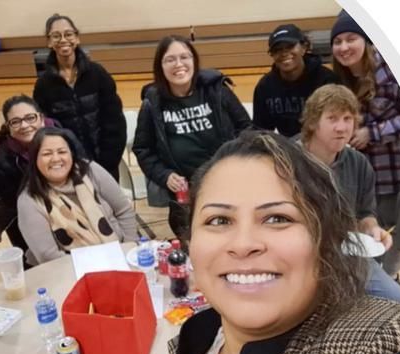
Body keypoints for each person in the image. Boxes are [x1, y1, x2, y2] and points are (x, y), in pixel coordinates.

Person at [149, 130, 400, 354]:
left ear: (324, 239)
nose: (243, 244)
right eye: (219, 220)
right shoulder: (196, 336)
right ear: (191, 243)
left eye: (277, 218)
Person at [331, 10, 400, 279]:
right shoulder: (342, 80)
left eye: (351, 39)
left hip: (398, 178)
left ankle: (390, 284)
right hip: (364, 181)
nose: (344, 47)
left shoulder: (394, 70)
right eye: (337, 42)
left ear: (366, 40)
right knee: (369, 244)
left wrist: (372, 133)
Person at [132, 35, 251, 241]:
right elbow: (143, 150)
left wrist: (235, 165)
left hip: (225, 183)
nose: (179, 64)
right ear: (160, 66)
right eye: (170, 59)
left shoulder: (217, 90)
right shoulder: (152, 102)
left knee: (231, 238)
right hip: (185, 194)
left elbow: (247, 130)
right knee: (192, 243)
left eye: (184, 57)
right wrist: (165, 175)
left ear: (194, 61)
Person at [299, 84, 400, 303]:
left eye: (348, 119)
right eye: (333, 119)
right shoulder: (287, 160)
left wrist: (373, 229)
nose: (342, 128)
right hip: (299, 257)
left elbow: (364, 214)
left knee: (396, 298)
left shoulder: (359, 163)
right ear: (312, 122)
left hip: (346, 254)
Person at [17, 127, 137, 265]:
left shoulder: (90, 171)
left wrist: (129, 250)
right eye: (46, 154)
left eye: (62, 152)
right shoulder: (29, 200)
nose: (56, 159)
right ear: (34, 159)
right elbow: (48, 256)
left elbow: (124, 210)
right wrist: (101, 265)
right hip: (70, 272)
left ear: (72, 154)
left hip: (121, 254)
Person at [33, 13, 127, 181]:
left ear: (77, 38)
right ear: (49, 42)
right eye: (56, 35)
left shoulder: (98, 73)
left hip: (106, 162)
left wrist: (110, 159)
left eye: (68, 34)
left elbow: (115, 120)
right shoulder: (43, 85)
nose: (63, 40)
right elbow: (47, 129)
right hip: (69, 166)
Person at [0, 95, 62, 264]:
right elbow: (13, 204)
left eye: (30, 118)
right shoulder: (3, 159)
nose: (24, 125)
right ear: (8, 126)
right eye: (15, 121)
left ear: (41, 118)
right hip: (30, 224)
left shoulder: (61, 138)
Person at [252, 24, 338, 137]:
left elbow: (337, 123)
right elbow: (261, 131)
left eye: (290, 46)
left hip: (324, 143)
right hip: (288, 148)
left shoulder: (327, 80)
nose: (284, 53)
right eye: (277, 50)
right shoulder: (265, 87)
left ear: (304, 48)